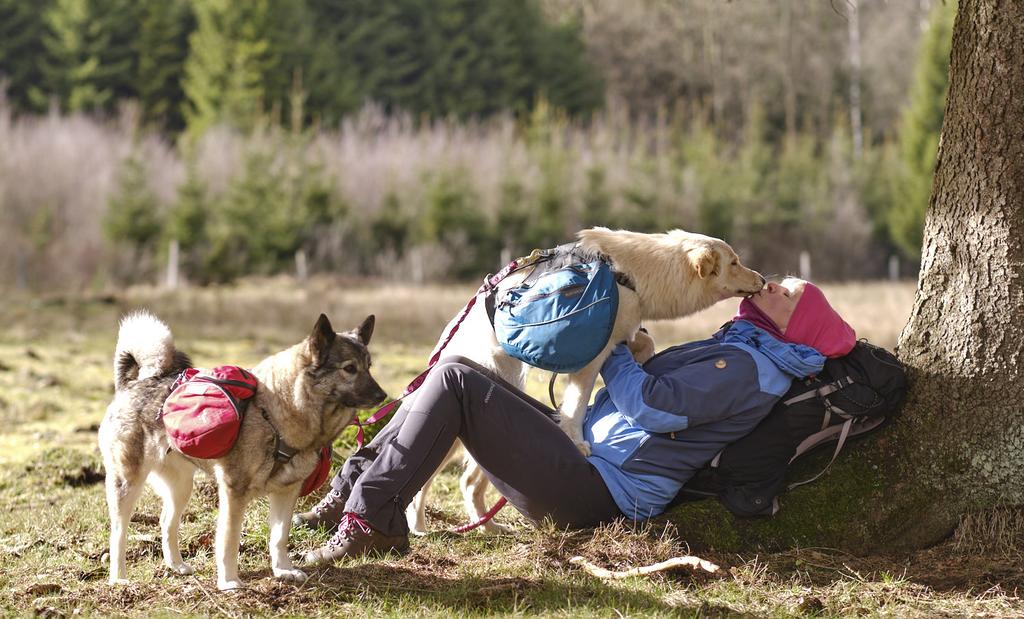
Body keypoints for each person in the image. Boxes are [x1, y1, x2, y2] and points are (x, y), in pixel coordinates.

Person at [296, 277, 856, 564]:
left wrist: (609, 341)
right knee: (459, 368)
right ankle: (348, 499)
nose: (774, 284)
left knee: (455, 383)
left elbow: (654, 408)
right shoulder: (743, 349)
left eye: (790, 294)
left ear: (797, 325)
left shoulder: (751, 366)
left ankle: (369, 523)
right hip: (587, 458)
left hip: (599, 493)